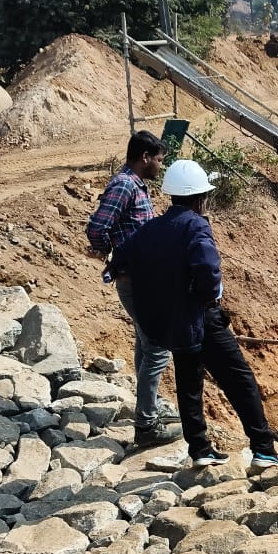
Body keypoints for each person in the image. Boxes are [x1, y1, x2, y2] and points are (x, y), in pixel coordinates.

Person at [111, 159, 278, 470]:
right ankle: (263, 449)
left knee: (189, 383)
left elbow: (120, 259)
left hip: (175, 321)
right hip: (202, 317)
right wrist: (204, 295)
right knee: (240, 380)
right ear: (200, 197)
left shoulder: (151, 228)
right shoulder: (196, 225)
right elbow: (206, 265)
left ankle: (200, 449)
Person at [86, 131, 179, 448]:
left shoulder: (134, 185)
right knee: (158, 348)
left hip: (141, 279)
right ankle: (147, 425)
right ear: (145, 157)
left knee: (144, 343)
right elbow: (98, 227)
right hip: (137, 281)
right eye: (159, 160)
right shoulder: (125, 185)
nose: (160, 166)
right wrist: (111, 255)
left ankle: (148, 408)